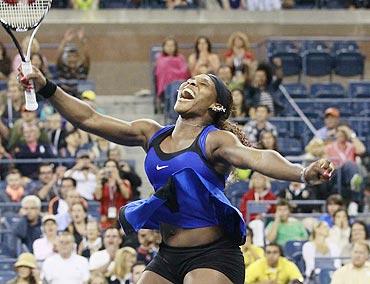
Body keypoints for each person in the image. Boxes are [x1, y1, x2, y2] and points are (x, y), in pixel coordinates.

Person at [19, 67, 334, 284]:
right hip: (168, 255)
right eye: (189, 81)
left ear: (216, 107)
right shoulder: (150, 134)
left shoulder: (215, 140)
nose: (190, 84)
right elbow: (89, 118)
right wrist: (47, 87)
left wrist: (303, 173)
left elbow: (258, 157)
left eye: (202, 84)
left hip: (214, 255)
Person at [154, 37, 190, 113]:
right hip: (165, 87)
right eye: (167, 45)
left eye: (172, 45)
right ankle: (172, 115)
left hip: (180, 85)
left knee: (177, 89)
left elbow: (184, 72)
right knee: (173, 91)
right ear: (164, 47)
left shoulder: (180, 58)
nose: (170, 48)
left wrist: (172, 73)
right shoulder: (160, 59)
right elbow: (162, 73)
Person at [95, 159, 131, 229]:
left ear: (117, 169)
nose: (110, 169)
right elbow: (98, 197)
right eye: (108, 166)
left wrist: (117, 179)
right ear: (104, 169)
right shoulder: (102, 184)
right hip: (105, 217)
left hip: (121, 217)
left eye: (113, 167)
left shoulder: (124, 182)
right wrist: (98, 181)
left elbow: (126, 195)